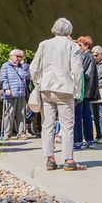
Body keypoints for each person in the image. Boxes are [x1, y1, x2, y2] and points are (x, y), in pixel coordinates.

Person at [30, 18, 85, 171]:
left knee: (47, 123)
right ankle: (68, 159)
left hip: (46, 88)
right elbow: (77, 70)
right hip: (64, 88)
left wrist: (38, 83)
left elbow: (34, 67)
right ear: (69, 30)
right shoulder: (72, 46)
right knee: (67, 125)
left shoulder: (44, 44)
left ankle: (50, 158)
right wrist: (77, 89)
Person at [73, 35, 99, 150]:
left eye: (80, 45)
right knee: (86, 115)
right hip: (86, 90)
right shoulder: (88, 56)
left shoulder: (86, 56)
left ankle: (78, 140)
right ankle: (89, 140)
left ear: (86, 45)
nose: (78, 47)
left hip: (83, 90)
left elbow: (81, 72)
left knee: (79, 115)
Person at [0, 49, 29, 139]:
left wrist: (24, 66)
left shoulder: (22, 67)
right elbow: (3, 78)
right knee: (9, 113)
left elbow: (28, 76)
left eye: (21, 56)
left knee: (21, 114)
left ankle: (20, 133)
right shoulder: (5, 66)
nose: (19, 58)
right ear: (11, 56)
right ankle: (7, 133)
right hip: (11, 93)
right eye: (17, 56)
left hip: (21, 93)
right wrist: (6, 88)